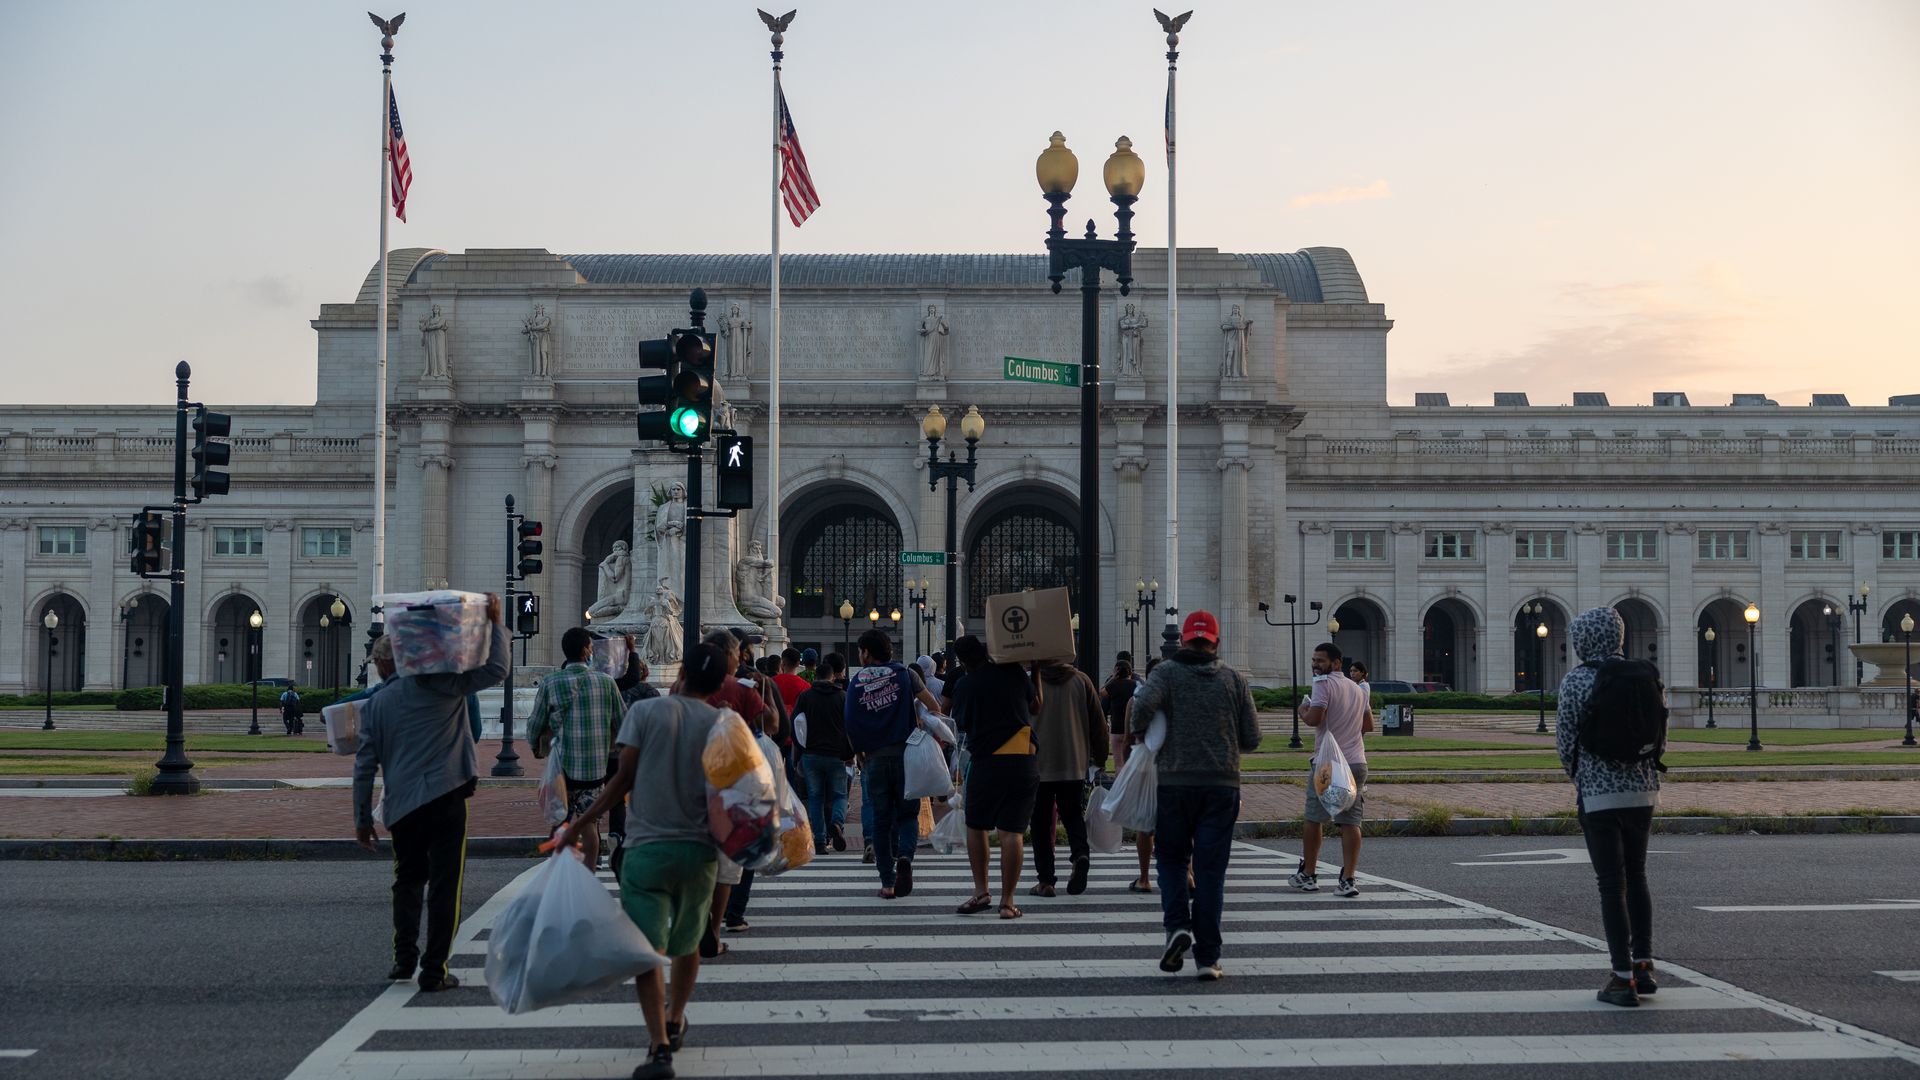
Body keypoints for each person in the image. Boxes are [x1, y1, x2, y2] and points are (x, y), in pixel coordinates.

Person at [555, 642, 735, 1080]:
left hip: (646, 849)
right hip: (698, 851)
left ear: (682, 674)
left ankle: (658, 1047)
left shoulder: (646, 712)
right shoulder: (721, 724)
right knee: (688, 942)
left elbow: (623, 779)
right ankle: (676, 1017)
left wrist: (581, 823)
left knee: (646, 949)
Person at [351, 594, 508, 993]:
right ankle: (434, 968)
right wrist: (494, 623)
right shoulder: (446, 686)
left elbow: (364, 766)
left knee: (407, 880)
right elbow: (497, 669)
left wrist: (362, 818)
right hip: (447, 796)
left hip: (402, 804)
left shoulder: (375, 706)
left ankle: (403, 957)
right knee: (445, 883)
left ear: (387, 663)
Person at [1130, 611, 1260, 981]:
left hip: (1174, 783)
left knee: (1171, 861)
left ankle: (1177, 928)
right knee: (1210, 872)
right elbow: (1251, 738)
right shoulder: (1234, 679)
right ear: (1216, 642)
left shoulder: (1165, 673)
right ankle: (1208, 958)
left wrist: (1145, 732)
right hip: (1222, 785)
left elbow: (1140, 713)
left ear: (1184, 640)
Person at [1557, 606, 1664, 1008]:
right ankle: (1643, 966)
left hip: (1600, 794)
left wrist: (1580, 776)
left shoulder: (1577, 681)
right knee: (1637, 877)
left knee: (1611, 885)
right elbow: (1661, 733)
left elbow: (1565, 742)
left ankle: (1621, 979)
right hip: (1644, 792)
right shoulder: (1646, 675)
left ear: (1584, 639)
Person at [949, 634, 1043, 919]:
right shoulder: (1013, 671)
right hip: (1023, 759)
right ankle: (1008, 902)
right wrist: (1035, 669)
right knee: (1011, 832)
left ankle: (981, 892)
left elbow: (962, 723)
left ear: (963, 661)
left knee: (976, 826)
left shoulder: (965, 684)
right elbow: (1037, 706)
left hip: (986, 762)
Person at [691, 629, 773, 951]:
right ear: (728, 654)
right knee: (729, 859)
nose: (742, 657)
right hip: (733, 783)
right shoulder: (742, 687)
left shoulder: (679, 690)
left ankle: (697, 921)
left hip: (695, 782)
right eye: (738, 651)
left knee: (700, 857)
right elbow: (773, 723)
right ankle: (717, 927)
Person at [845, 628, 941, 900]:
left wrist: (858, 750)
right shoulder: (906, 674)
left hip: (874, 757)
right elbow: (934, 706)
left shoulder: (858, 679)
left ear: (866, 652)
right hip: (905, 755)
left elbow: (850, 720)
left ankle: (887, 883)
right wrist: (920, 721)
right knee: (908, 814)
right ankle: (906, 859)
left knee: (881, 819)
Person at [525, 626, 627, 870]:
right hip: (594, 768)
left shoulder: (551, 682)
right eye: (591, 647)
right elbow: (623, 722)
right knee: (591, 824)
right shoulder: (605, 683)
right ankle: (588, 873)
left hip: (561, 768)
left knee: (560, 820)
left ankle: (558, 870)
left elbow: (535, 723)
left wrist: (536, 747)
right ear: (585, 651)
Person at [1292, 642, 1372, 898]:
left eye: (1321, 660)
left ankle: (1309, 875)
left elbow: (1314, 719)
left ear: (1336, 663)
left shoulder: (1323, 683)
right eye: (1314, 660)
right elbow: (1368, 725)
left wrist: (1303, 711)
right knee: (1350, 822)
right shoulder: (1358, 690)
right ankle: (1348, 879)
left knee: (1314, 818)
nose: (1316, 665)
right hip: (1357, 762)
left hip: (1328, 763)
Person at [1029, 658, 1107, 897]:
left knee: (1040, 823)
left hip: (1038, 762)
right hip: (1074, 761)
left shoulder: (1032, 681)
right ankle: (1080, 854)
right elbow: (1098, 723)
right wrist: (1100, 757)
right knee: (1073, 814)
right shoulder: (1081, 681)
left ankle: (1046, 881)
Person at [795, 651, 853, 854]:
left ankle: (819, 841)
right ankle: (836, 823)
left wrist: (799, 752)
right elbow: (850, 727)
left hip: (811, 753)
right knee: (839, 794)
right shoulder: (842, 697)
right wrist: (851, 751)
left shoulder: (805, 697)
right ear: (832, 676)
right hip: (836, 754)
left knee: (815, 798)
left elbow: (797, 725)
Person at [1101, 659, 1138, 778]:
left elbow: (1101, 693)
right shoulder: (1135, 685)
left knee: (1118, 765)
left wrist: (1112, 678)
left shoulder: (1113, 685)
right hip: (1131, 729)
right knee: (1132, 764)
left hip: (1116, 728)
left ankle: (1119, 789)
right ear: (1130, 672)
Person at [773, 648, 811, 718]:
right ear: (798, 664)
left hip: (776, 720)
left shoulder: (772, 682)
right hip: (796, 723)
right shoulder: (806, 686)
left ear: (782, 662)